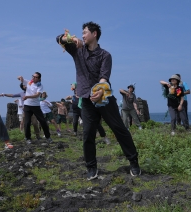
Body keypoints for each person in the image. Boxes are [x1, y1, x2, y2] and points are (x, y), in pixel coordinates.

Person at [56, 21, 141, 180]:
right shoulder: (77, 50)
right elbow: (58, 39)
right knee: (87, 133)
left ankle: (134, 162)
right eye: (81, 33)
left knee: (119, 129)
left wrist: (100, 90)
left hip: (104, 99)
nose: (82, 35)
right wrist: (70, 39)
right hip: (86, 101)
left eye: (85, 32)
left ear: (94, 34)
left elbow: (104, 78)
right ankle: (91, 167)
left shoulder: (105, 55)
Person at [18, 72, 52, 144]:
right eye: (33, 76)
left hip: (36, 106)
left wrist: (27, 97)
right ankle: (27, 138)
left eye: (35, 77)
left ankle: (48, 137)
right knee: (27, 122)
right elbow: (21, 79)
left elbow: (37, 95)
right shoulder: (29, 82)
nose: (33, 78)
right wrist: (20, 77)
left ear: (39, 78)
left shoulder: (40, 86)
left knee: (42, 121)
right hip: (27, 105)